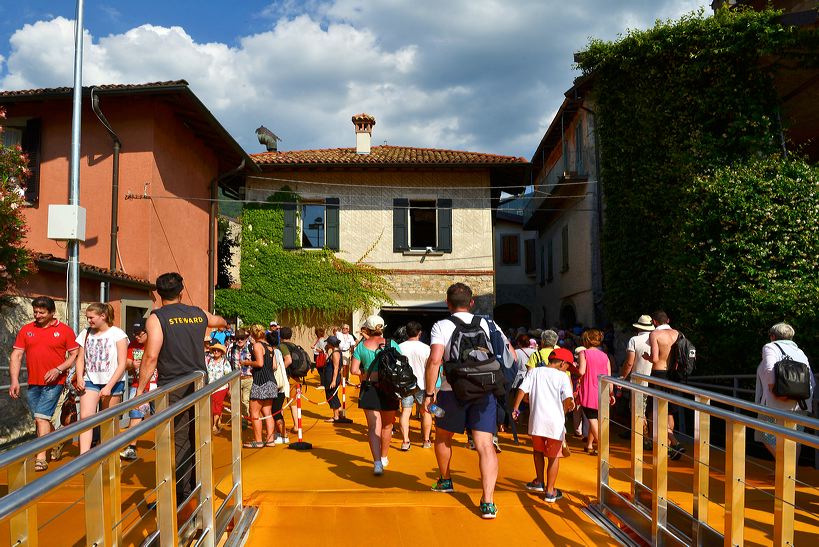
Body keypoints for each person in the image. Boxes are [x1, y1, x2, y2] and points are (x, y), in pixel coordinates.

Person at [136, 271, 228, 508]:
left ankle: (180, 496)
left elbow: (151, 356)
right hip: (199, 383)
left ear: (158, 294)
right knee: (196, 436)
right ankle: (195, 489)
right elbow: (221, 322)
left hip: (173, 386)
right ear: (181, 291)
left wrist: (140, 392)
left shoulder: (157, 318)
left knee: (175, 440)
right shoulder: (198, 314)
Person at [423, 282, 507, 519]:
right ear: (471, 303)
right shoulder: (487, 323)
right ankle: (488, 502)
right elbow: (507, 353)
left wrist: (430, 393)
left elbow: (435, 359)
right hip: (485, 391)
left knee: (443, 436)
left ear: (448, 304)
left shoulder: (442, 325)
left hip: (452, 391)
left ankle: (445, 479)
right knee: (485, 445)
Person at [9, 296, 79, 471]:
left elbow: (75, 355)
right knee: (40, 419)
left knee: (41, 417)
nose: (37, 315)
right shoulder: (26, 330)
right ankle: (57, 440)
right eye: (35, 312)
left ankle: (41, 457)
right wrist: (14, 380)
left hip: (55, 382)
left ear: (52, 313)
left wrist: (58, 369)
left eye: (42, 312)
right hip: (33, 382)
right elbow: (16, 355)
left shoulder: (64, 330)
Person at [512, 347, 575, 502]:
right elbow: (568, 398)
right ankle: (550, 491)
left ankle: (540, 481)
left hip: (536, 422)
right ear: (562, 363)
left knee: (538, 451)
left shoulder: (534, 372)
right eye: (568, 366)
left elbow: (522, 389)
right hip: (555, 424)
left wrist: (515, 408)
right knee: (554, 457)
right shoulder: (563, 377)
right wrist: (568, 408)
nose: (568, 369)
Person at [755, 322, 816, 458]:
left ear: (772, 336)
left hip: (775, 402)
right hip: (801, 402)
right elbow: (811, 380)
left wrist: (776, 391)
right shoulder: (800, 351)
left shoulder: (770, 347)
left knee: (763, 433)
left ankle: (785, 469)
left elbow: (770, 369)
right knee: (794, 439)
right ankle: (790, 474)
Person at [75, 302, 129, 454]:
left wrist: (109, 386)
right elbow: (80, 359)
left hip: (113, 381)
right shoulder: (85, 333)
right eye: (87, 318)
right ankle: (84, 456)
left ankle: (107, 454)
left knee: (108, 420)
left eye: (91, 317)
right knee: (86, 418)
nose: (89, 321)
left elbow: (122, 363)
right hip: (90, 379)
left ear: (103, 316)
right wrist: (80, 377)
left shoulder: (118, 334)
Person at [351, 314, 401, 475]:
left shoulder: (361, 346)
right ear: (382, 328)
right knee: (387, 425)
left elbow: (353, 370)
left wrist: (366, 373)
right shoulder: (392, 343)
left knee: (373, 427)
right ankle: (385, 456)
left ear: (368, 329)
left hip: (369, 388)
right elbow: (400, 364)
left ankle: (377, 462)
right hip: (389, 388)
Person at [642, 310, 684, 458]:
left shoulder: (654, 334)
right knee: (670, 411)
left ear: (654, 322)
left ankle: (673, 443)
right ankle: (669, 446)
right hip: (673, 375)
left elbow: (655, 358)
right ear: (668, 320)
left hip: (659, 374)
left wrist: (646, 357)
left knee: (655, 410)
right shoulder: (677, 333)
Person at [120, 319, 155, 461]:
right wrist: (131, 364)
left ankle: (165, 442)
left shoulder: (156, 343)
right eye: (134, 334)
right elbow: (126, 362)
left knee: (160, 415)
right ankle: (131, 448)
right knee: (135, 414)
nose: (136, 337)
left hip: (157, 384)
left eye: (139, 333)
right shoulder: (133, 345)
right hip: (138, 385)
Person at [575, 329, 613, 456]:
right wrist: (611, 393)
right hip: (602, 390)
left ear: (586, 340)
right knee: (595, 417)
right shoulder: (605, 356)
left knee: (591, 417)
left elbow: (581, 371)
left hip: (589, 389)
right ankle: (589, 445)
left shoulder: (583, 353)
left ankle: (602, 446)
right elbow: (609, 375)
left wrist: (573, 369)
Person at [398, 321, 432, 450]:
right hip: (422, 384)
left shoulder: (399, 347)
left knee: (406, 412)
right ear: (420, 333)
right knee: (425, 412)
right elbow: (430, 368)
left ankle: (406, 441)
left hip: (405, 385)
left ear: (406, 332)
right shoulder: (426, 348)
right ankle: (426, 440)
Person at [243, 324, 278, 447]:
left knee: (254, 412)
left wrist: (247, 362)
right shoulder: (270, 347)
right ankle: (270, 440)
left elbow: (259, 363)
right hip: (271, 381)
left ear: (252, 335)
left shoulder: (257, 346)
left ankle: (258, 441)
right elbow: (274, 366)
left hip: (260, 382)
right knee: (267, 412)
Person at [227, 328, 253, 425]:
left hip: (248, 378)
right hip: (236, 379)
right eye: (237, 338)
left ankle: (244, 421)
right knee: (235, 400)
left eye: (242, 338)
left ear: (246, 338)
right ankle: (237, 420)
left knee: (245, 400)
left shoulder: (251, 348)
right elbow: (229, 366)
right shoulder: (232, 349)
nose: (240, 340)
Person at [207, 343, 232, 433]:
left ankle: (215, 425)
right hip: (210, 387)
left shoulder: (225, 362)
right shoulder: (208, 360)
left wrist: (230, 388)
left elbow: (229, 376)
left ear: (222, 352)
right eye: (214, 350)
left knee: (216, 406)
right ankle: (218, 420)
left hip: (221, 387)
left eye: (218, 350)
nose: (216, 352)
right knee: (213, 406)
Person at [322, 335, 343, 422]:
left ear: (331, 344)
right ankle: (339, 412)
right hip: (331, 376)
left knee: (331, 395)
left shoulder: (335, 353)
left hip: (332, 377)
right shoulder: (336, 351)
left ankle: (336, 416)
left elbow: (336, 368)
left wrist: (334, 380)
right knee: (333, 394)